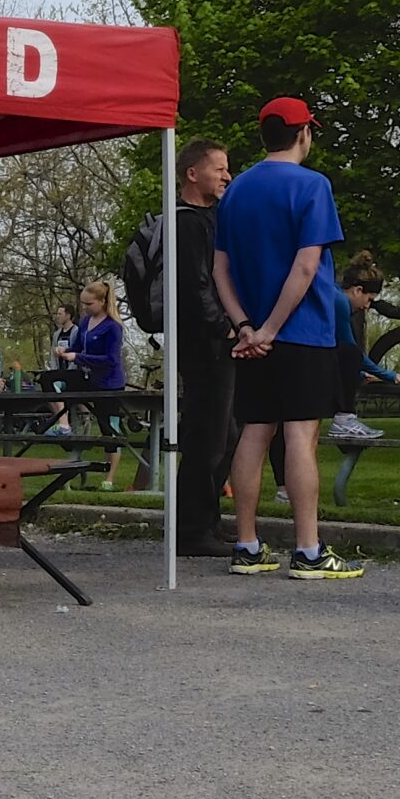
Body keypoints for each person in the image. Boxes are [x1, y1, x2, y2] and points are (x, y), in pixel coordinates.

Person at [213, 96, 361, 579]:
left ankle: (248, 545)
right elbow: (306, 265)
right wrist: (273, 329)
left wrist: (246, 327)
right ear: (304, 134)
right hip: (302, 332)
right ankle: (309, 550)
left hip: (252, 333)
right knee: (301, 433)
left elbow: (220, 268)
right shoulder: (313, 185)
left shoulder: (235, 191)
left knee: (255, 431)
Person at [170, 138, 238, 556]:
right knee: (207, 436)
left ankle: (206, 523)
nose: (227, 175)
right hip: (204, 345)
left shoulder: (210, 220)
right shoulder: (187, 224)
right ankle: (192, 530)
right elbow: (196, 286)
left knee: (226, 434)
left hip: (214, 341)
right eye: (219, 168)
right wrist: (224, 327)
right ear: (193, 173)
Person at [56, 278, 127, 479]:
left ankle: (109, 478)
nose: (85, 308)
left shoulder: (113, 327)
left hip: (110, 384)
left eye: (89, 304)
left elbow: (111, 360)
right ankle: (62, 425)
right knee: (56, 382)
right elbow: (78, 347)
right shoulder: (86, 322)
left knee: (108, 431)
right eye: (83, 304)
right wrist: (66, 351)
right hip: (90, 378)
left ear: (103, 301)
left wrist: (78, 357)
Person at [329, 255, 395, 443]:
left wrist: (356, 373)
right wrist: (386, 374)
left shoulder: (332, 294)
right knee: (351, 354)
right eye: (368, 299)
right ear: (358, 290)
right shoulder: (340, 302)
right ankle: (344, 418)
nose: (367, 306)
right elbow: (349, 346)